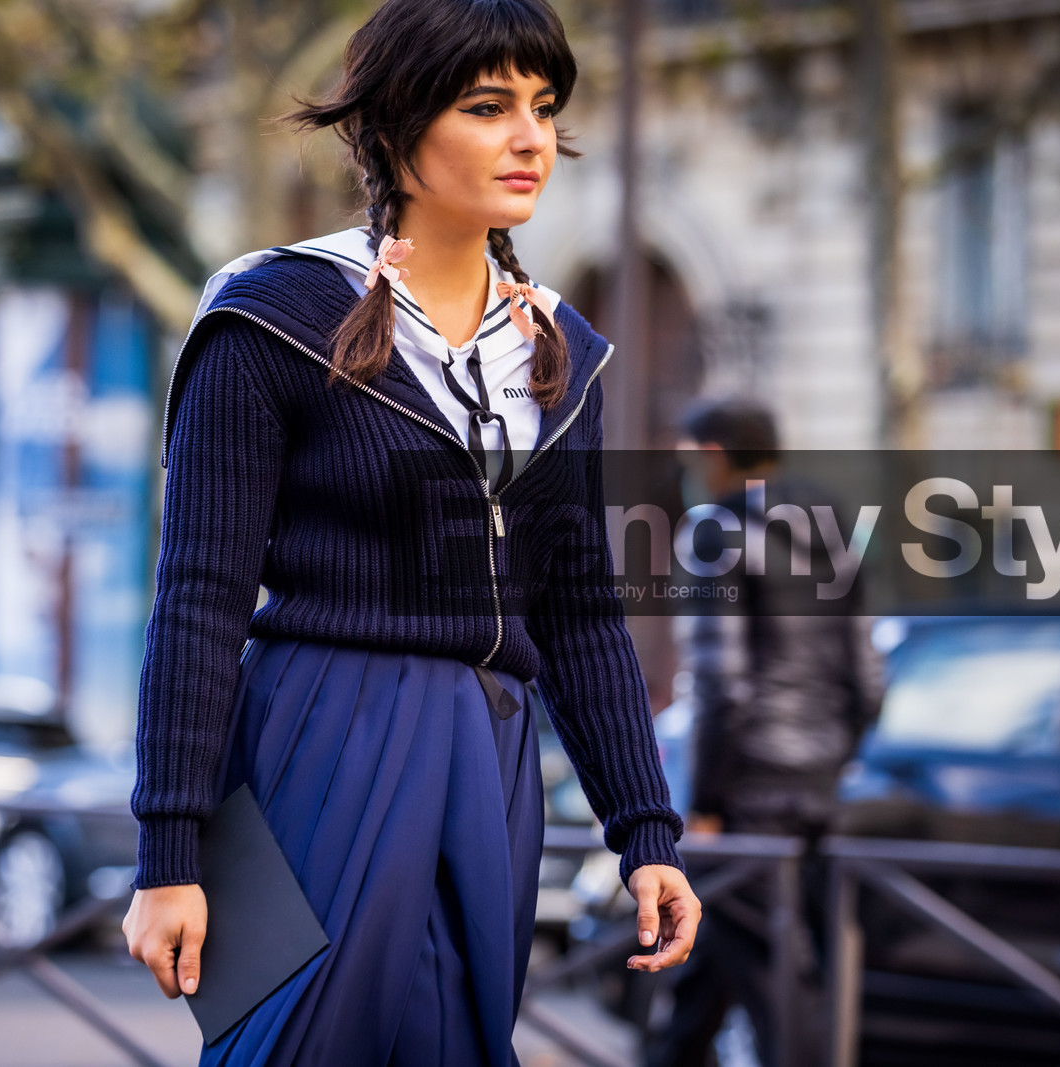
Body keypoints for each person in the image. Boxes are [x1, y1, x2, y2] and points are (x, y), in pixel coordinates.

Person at [120, 2, 702, 1063]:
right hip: (317, 729)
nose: (530, 139)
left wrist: (643, 829)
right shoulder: (270, 315)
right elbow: (198, 595)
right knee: (285, 1045)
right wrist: (168, 851)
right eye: (488, 107)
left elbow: (578, 610)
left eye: (542, 107)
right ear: (393, 127)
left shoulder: (560, 351)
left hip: (492, 748)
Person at [645, 398, 883, 1067]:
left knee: (773, 975)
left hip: (749, 784)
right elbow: (867, 667)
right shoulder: (832, 523)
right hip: (817, 777)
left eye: (686, 458)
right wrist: (837, 752)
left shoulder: (716, 528)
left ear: (713, 456)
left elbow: (722, 682)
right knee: (710, 957)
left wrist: (710, 802)